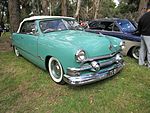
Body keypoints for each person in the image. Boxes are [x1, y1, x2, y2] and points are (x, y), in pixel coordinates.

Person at [138, 1, 150, 67]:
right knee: (149, 51)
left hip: (143, 35)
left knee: (142, 49)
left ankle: (141, 63)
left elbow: (139, 27)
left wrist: (140, 33)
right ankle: (149, 65)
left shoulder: (143, 16)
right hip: (149, 36)